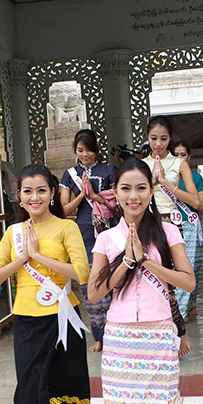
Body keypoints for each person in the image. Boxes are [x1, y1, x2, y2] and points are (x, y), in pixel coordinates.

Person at [88, 158, 194, 404]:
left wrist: (146, 261)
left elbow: (188, 281)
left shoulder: (167, 231)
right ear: (114, 192)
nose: (133, 196)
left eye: (141, 188)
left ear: (151, 191)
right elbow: (94, 293)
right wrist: (127, 262)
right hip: (120, 338)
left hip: (157, 334)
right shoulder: (106, 238)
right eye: (126, 188)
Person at [0, 165, 92, 404]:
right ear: (19, 196)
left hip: (63, 317)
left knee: (69, 385)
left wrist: (38, 257)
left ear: (52, 193)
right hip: (28, 322)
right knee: (30, 392)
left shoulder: (66, 227)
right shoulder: (13, 233)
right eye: (28, 191)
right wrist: (23, 259)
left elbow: (82, 273)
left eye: (42, 190)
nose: (35, 197)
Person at [143, 115, 198, 352]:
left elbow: (195, 200)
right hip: (147, 224)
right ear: (147, 137)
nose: (158, 144)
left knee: (172, 281)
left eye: (164, 139)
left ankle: (180, 333)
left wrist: (164, 181)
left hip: (172, 225)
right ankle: (158, 333)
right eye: (154, 138)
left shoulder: (179, 163)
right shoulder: (140, 165)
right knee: (149, 280)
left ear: (170, 139)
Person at [59, 129, 116, 352]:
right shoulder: (69, 174)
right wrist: (82, 196)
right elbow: (64, 210)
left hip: (108, 230)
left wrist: (94, 195)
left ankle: (116, 333)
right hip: (82, 233)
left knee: (112, 283)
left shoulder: (109, 171)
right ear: (75, 151)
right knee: (89, 284)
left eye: (89, 150)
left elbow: (117, 203)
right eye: (80, 150)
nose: (85, 154)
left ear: (96, 149)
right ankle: (99, 336)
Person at [173, 142, 203, 320]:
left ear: (189, 156)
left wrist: (180, 193)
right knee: (177, 269)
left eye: (183, 155)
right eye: (176, 155)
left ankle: (189, 306)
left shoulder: (196, 178)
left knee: (192, 267)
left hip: (190, 225)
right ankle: (180, 311)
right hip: (170, 225)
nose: (179, 158)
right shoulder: (164, 177)